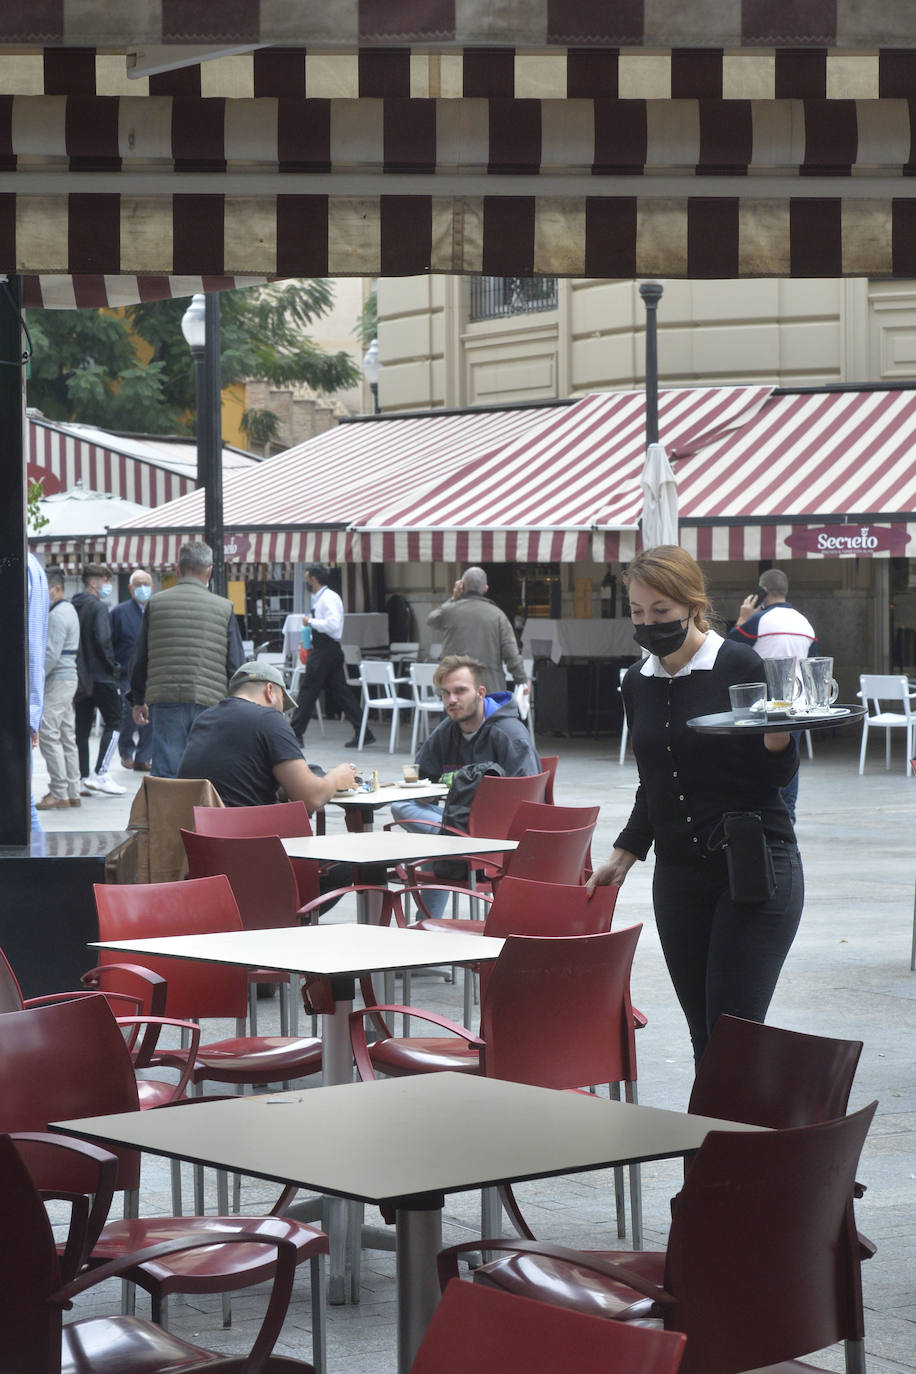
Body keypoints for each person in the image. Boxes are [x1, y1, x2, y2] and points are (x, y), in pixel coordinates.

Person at [587, 545, 803, 1064]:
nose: (648, 623)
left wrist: (779, 736)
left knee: (733, 1031)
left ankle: (741, 1141)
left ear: (692, 605)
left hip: (753, 865)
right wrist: (624, 853)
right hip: (680, 875)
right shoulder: (637, 681)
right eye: (638, 613)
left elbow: (774, 779)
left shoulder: (738, 663)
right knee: (704, 1035)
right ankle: (716, 1143)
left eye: (661, 612)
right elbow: (654, 781)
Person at [390, 653, 541, 918]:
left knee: (439, 848)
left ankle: (426, 922)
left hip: (497, 842)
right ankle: (452, 845)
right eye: (445, 693)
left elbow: (530, 801)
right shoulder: (447, 730)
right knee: (402, 805)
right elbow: (421, 780)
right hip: (459, 826)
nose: (452, 700)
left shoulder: (509, 735)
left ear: (480, 692)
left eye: (460, 691)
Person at [129, 540, 245, 779]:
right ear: (210, 570)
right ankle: (203, 817)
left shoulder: (156, 604)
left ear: (177, 569)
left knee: (167, 772)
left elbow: (140, 656)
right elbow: (235, 663)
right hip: (211, 700)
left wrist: (138, 699)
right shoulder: (224, 607)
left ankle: (170, 817)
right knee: (207, 770)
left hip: (166, 699)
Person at [178, 660, 360, 810]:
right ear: (270, 691)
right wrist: (336, 778)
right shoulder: (268, 718)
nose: (281, 713)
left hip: (198, 840)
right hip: (245, 841)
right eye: (282, 703)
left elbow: (233, 780)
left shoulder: (205, 718)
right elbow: (311, 798)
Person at [726, 568, 817, 823]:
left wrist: (743, 618)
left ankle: (762, 818)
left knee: (757, 765)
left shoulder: (760, 620)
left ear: (762, 592)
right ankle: (788, 818)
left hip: (762, 707)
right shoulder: (804, 623)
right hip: (796, 706)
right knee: (788, 763)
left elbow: (729, 649)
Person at [288, 564, 369, 747]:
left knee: (308, 691)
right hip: (329, 650)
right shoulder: (322, 597)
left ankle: (295, 733)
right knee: (342, 693)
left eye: (307, 577)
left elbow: (332, 625)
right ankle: (363, 730)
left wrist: (311, 621)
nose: (306, 581)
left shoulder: (328, 598)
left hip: (325, 649)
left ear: (314, 579)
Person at [426, 566, 528, 694]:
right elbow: (511, 653)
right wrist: (521, 680)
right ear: (485, 589)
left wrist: (453, 598)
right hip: (488, 687)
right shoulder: (498, 615)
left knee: (455, 713)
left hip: (454, 687)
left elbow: (431, 620)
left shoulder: (449, 611)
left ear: (462, 586)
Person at [72, 562, 125, 796]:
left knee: (81, 729)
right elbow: (103, 641)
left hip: (80, 677)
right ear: (94, 582)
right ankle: (101, 772)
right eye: (105, 581)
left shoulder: (73, 606)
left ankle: (83, 777)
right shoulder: (98, 607)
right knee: (114, 722)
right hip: (102, 677)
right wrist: (114, 667)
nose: (108, 585)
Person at [36, 566, 81, 811]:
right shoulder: (70, 610)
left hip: (58, 679)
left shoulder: (56, 614)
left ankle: (58, 791)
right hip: (69, 677)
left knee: (49, 733)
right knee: (66, 735)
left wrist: (35, 677)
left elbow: (51, 655)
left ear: (56, 588)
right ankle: (72, 790)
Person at [111, 568, 153, 772]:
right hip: (126, 673)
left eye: (146, 584)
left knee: (150, 712)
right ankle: (126, 751)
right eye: (138, 584)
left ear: (152, 587)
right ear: (130, 588)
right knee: (129, 711)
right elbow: (109, 643)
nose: (142, 588)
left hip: (151, 672)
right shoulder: (119, 613)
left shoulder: (156, 609)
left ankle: (144, 756)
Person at [27, 553, 49, 832]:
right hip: (18, 705)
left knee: (21, 801)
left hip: (13, 706)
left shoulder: (22, 566)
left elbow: (32, 648)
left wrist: (32, 712)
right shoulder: (31, 565)